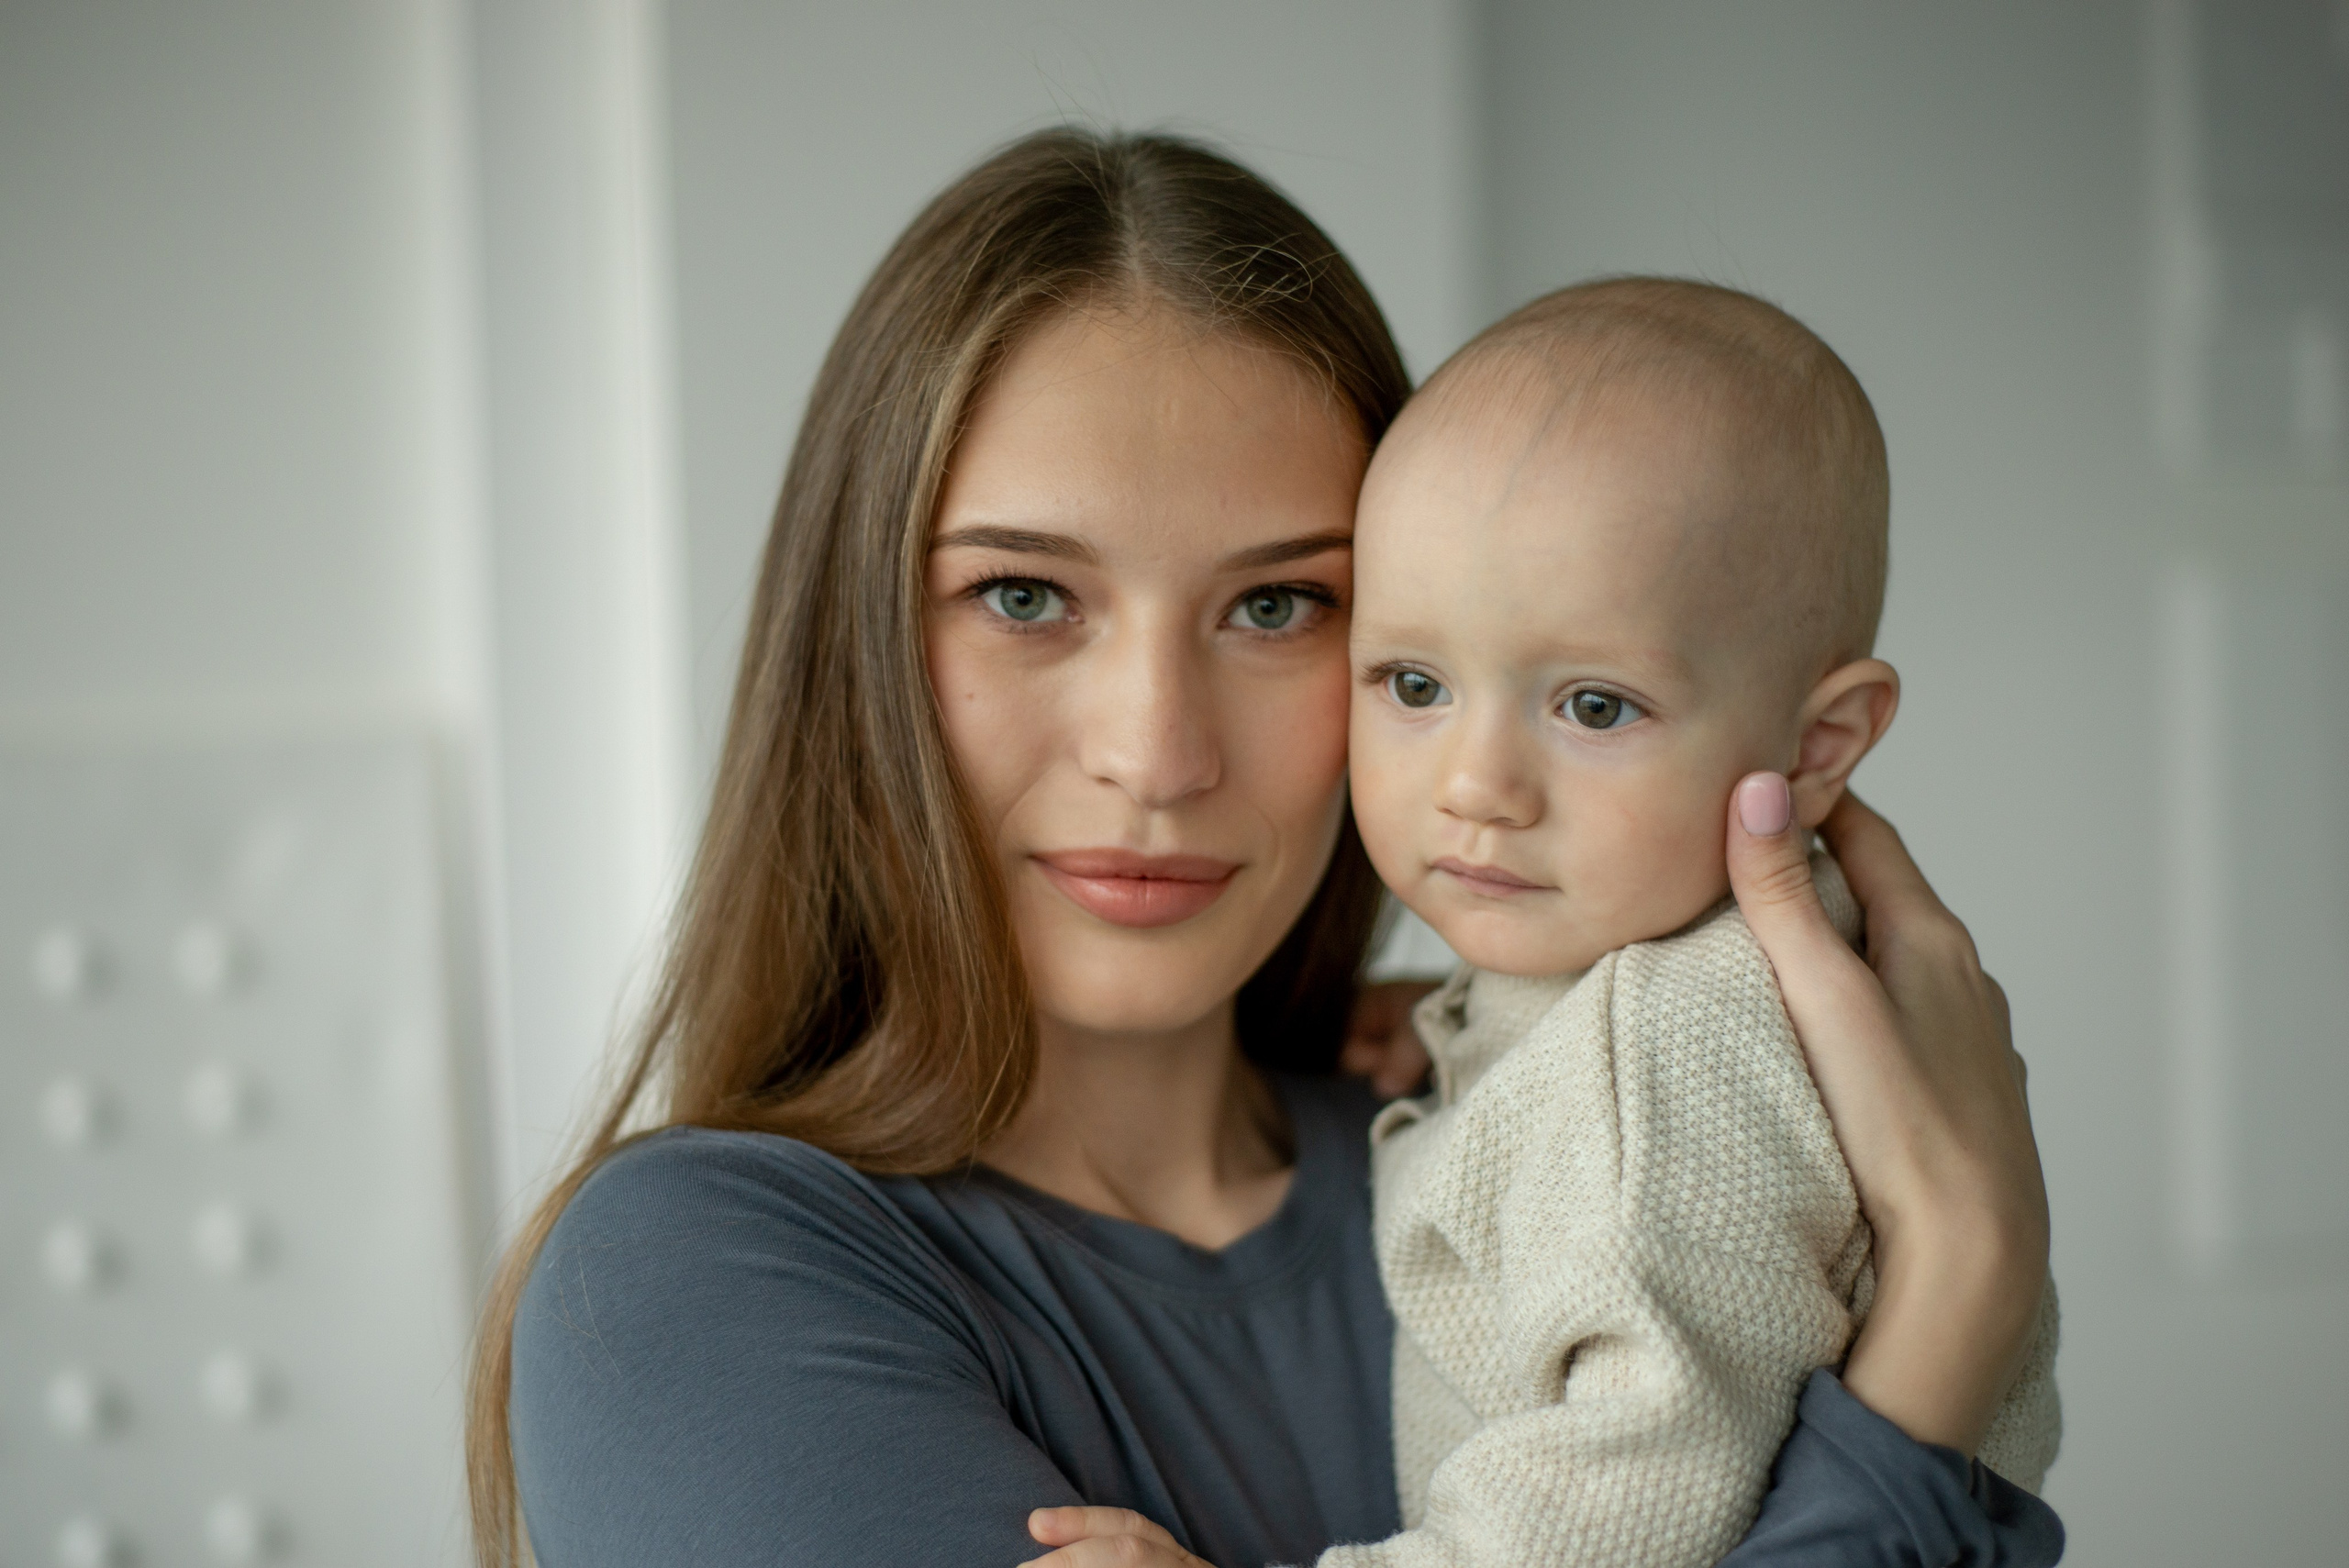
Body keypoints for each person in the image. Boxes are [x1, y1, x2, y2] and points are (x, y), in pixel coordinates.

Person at [466, 130, 2062, 1568]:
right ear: (859, 643)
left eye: (1278, 605)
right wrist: (1951, 1314)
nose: (1156, 753)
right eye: (1026, 595)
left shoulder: (1553, 1138)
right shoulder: (688, 1287)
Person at [1293, 278, 2062, 1568]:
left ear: (1820, 745)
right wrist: (1460, 1022)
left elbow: (1633, 1493)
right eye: (1414, 683)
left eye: (1594, 707)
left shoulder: (1662, 1065)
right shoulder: (1659, 1006)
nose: (1476, 783)